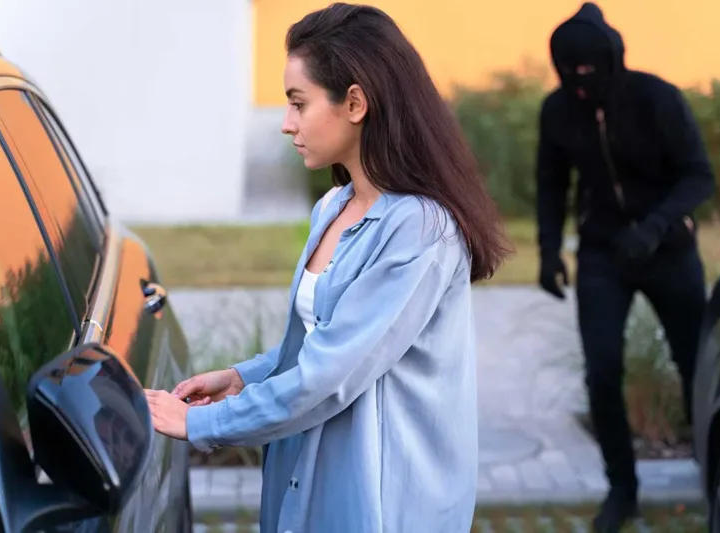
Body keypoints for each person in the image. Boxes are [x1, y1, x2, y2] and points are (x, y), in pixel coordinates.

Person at [145, 3, 511, 532]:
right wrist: (242, 378)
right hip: (307, 474)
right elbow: (319, 343)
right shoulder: (333, 208)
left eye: (298, 103)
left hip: (380, 499)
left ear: (355, 103)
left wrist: (204, 423)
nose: (286, 123)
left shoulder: (419, 231)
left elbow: (332, 375)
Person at [535, 3, 714, 532]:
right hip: (603, 255)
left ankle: (712, 475)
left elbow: (699, 176)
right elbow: (551, 184)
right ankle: (623, 490)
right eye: (571, 73)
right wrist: (548, 252)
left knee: (695, 365)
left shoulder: (657, 98)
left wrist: (656, 226)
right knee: (602, 372)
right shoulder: (558, 110)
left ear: (613, 59)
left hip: (670, 252)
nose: (582, 82)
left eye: (591, 70)